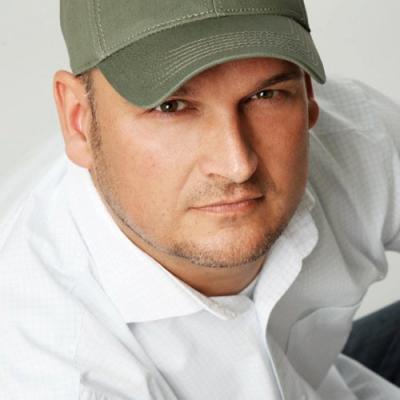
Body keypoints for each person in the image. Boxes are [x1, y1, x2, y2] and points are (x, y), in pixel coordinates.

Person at [0, 0, 399, 399]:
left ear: (307, 92)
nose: (237, 165)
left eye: (265, 94)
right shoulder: (59, 369)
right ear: (78, 120)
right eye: (171, 106)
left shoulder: (354, 138)